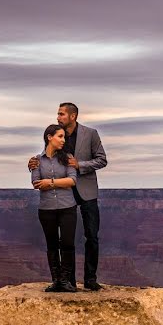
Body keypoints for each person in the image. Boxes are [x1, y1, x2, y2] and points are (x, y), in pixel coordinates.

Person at [29, 102, 107, 291]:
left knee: (91, 236)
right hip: (63, 193)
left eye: (62, 114)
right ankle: (68, 281)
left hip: (86, 190)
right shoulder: (57, 134)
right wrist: (33, 162)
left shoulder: (90, 134)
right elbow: (47, 156)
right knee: (66, 239)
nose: (58, 117)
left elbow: (102, 160)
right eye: (58, 114)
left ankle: (90, 279)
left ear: (73, 116)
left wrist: (79, 165)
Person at [32, 124, 79, 293]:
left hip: (68, 207)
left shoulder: (68, 157)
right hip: (46, 210)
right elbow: (36, 183)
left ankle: (66, 281)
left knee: (67, 244)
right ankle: (56, 281)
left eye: (64, 137)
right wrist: (59, 182)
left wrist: (50, 183)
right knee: (52, 245)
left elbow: (72, 180)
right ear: (49, 137)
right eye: (60, 136)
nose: (63, 140)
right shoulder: (37, 160)